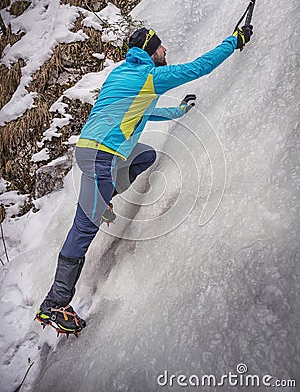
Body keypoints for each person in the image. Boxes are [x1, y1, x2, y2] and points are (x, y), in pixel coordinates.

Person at [36, 24, 253, 335]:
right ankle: (55, 304)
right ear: (152, 50)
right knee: (84, 229)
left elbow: (140, 112)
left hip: (92, 150)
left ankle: (104, 198)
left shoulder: (122, 74)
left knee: (145, 155)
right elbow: (200, 67)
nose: (165, 51)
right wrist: (235, 41)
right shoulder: (150, 76)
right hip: (102, 157)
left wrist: (177, 111)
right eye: (161, 47)